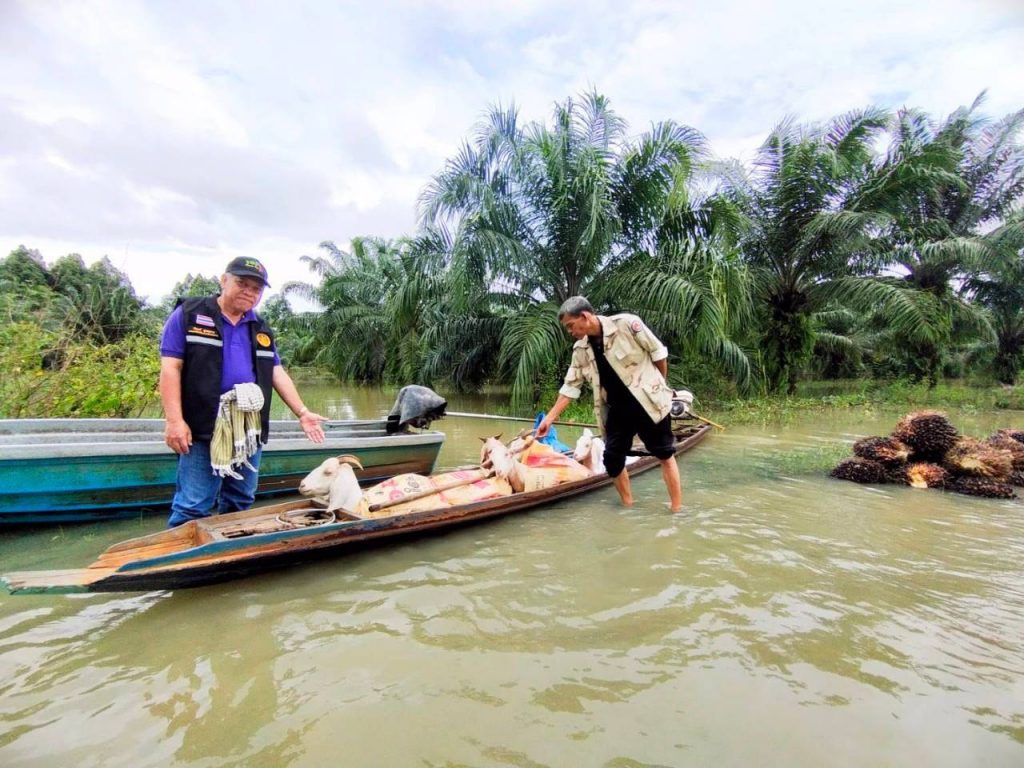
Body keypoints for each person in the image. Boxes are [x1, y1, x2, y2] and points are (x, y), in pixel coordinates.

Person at [159, 256, 326, 527]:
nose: (249, 291)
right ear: (223, 280)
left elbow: (276, 372)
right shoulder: (190, 314)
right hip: (202, 427)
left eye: (256, 288)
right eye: (242, 283)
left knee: (241, 499)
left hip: (248, 428)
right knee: (193, 504)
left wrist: (303, 412)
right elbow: (170, 369)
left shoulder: (260, 327)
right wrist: (175, 421)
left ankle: (229, 554)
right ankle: (181, 561)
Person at [535, 296, 684, 513]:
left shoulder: (627, 325)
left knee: (664, 454)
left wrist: (658, 386)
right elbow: (570, 386)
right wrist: (549, 418)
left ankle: (676, 509)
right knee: (612, 459)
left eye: (570, 325)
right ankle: (627, 505)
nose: (569, 331)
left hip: (648, 404)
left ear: (584, 316)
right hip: (618, 410)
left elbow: (658, 354)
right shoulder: (581, 350)